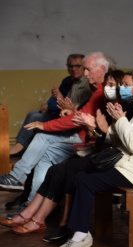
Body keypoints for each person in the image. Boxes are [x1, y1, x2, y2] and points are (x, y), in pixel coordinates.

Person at [0, 70, 133, 242]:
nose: (111, 88)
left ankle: (43, 220)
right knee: (56, 169)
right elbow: (106, 137)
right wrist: (87, 122)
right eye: (111, 84)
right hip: (102, 151)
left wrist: (96, 129)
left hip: (113, 158)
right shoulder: (115, 103)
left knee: (65, 169)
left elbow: (118, 143)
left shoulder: (129, 108)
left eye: (121, 85)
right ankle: (30, 214)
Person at [55, 68, 133, 247]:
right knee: (80, 176)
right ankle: (80, 232)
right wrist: (109, 128)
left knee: (86, 181)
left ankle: (81, 234)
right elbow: (121, 141)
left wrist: (121, 120)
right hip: (128, 166)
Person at [0, 52, 109, 203]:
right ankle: (29, 204)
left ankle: (17, 177)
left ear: (102, 69)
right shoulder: (90, 87)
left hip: (87, 140)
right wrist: (68, 109)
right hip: (81, 133)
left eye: (87, 69)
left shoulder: (102, 90)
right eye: (78, 67)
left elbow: (79, 119)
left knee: (40, 133)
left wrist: (45, 125)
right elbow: (76, 114)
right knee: (44, 155)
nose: (84, 73)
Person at [9, 54, 92, 156]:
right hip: (61, 112)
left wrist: (63, 103)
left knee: (35, 117)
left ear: (84, 67)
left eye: (77, 66)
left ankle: (19, 147)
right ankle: (21, 146)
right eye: (70, 66)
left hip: (73, 117)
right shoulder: (67, 81)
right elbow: (55, 101)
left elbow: (81, 108)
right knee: (33, 115)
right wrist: (48, 105)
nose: (73, 69)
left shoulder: (88, 83)